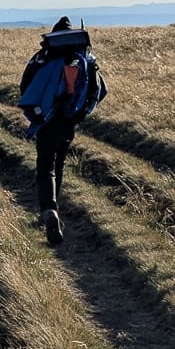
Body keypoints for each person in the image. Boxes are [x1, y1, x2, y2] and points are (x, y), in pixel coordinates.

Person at [18, 17, 107, 245]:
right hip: (69, 120)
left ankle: (49, 211)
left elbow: (25, 86)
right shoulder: (85, 60)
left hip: (46, 119)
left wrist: (38, 110)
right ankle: (53, 207)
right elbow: (99, 90)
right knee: (59, 163)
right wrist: (79, 112)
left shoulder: (42, 58)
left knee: (45, 166)